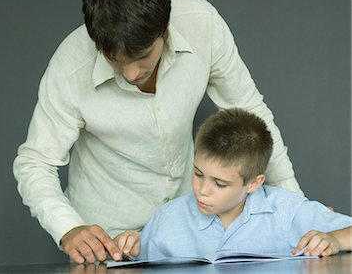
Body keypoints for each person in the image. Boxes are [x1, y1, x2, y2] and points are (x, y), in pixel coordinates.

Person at [13, 0, 304, 264]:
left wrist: (297, 212)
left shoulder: (203, 25)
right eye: (114, 59)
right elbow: (35, 162)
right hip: (109, 245)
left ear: (165, 28)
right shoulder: (69, 69)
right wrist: (68, 229)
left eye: (142, 56)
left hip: (187, 232)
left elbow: (252, 115)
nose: (130, 74)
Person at [114, 108, 351, 259]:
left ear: (254, 183)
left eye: (219, 183)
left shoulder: (288, 212)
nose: (202, 190)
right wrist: (129, 251)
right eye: (197, 174)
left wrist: (334, 239)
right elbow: (131, 259)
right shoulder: (166, 219)